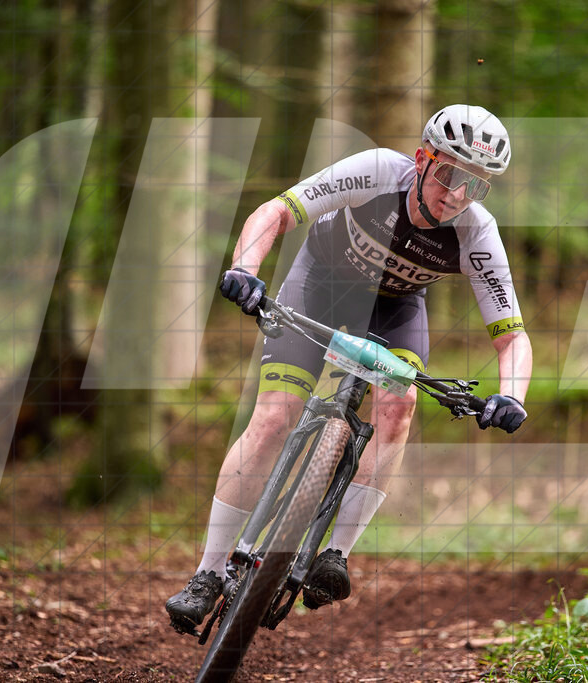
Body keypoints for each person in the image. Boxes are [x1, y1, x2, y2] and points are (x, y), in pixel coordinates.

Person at [165, 104, 533, 633]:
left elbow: (512, 335)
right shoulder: (377, 171)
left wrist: (512, 394)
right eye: (451, 174)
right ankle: (208, 572)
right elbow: (278, 210)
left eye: (477, 185)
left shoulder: (477, 232)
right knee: (274, 419)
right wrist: (245, 268)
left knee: (399, 404)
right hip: (320, 287)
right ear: (423, 159)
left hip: (395, 311)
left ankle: (335, 554)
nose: (458, 194)